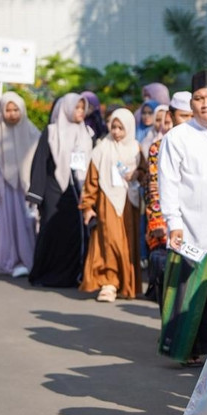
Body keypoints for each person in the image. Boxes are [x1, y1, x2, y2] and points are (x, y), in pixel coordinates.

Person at [158, 71, 207, 362]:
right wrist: (173, 223)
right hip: (189, 231)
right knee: (188, 297)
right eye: (199, 98)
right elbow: (168, 182)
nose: (205, 104)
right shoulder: (177, 137)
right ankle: (187, 352)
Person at [27, 93, 93, 287]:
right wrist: (37, 195)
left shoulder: (88, 133)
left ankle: (70, 276)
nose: (80, 112)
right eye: (77, 107)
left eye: (82, 108)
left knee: (73, 234)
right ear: (67, 108)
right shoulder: (52, 131)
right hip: (53, 189)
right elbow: (40, 162)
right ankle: (45, 274)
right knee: (51, 230)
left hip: (76, 191)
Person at [78, 108, 143, 302]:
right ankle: (109, 282)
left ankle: (125, 284)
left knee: (127, 243)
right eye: (113, 127)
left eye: (120, 128)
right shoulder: (101, 149)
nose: (116, 132)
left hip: (129, 203)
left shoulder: (136, 148)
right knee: (110, 242)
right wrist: (88, 206)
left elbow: (145, 171)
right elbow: (92, 179)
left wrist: (137, 174)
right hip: (107, 202)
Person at [145, 91, 192, 306]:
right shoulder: (159, 146)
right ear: (172, 116)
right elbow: (154, 188)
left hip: (198, 225)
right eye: (184, 116)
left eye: (192, 116)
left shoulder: (206, 141)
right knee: (171, 286)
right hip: (167, 225)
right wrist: (159, 223)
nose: (188, 121)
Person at [0, 92, 40, 277]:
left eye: (16, 109)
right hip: (5, 187)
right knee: (6, 225)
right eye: (7, 110)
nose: (12, 114)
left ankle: (27, 260)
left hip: (25, 186)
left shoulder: (32, 132)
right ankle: (9, 261)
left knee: (26, 224)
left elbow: (38, 162)